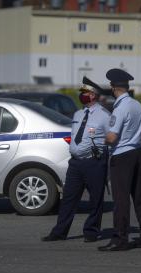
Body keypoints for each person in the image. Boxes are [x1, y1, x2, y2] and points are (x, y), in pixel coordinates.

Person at [42, 76, 110, 243]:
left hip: (94, 162)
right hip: (75, 163)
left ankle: (91, 232)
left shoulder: (105, 116)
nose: (82, 95)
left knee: (95, 200)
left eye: (85, 92)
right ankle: (59, 232)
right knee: (68, 199)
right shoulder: (78, 113)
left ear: (93, 95)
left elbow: (112, 139)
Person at [98, 68, 141, 251]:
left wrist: (101, 139)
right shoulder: (138, 105)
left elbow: (112, 137)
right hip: (137, 152)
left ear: (114, 88)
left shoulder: (120, 107)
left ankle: (120, 239)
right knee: (138, 196)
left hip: (122, 156)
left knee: (121, 199)